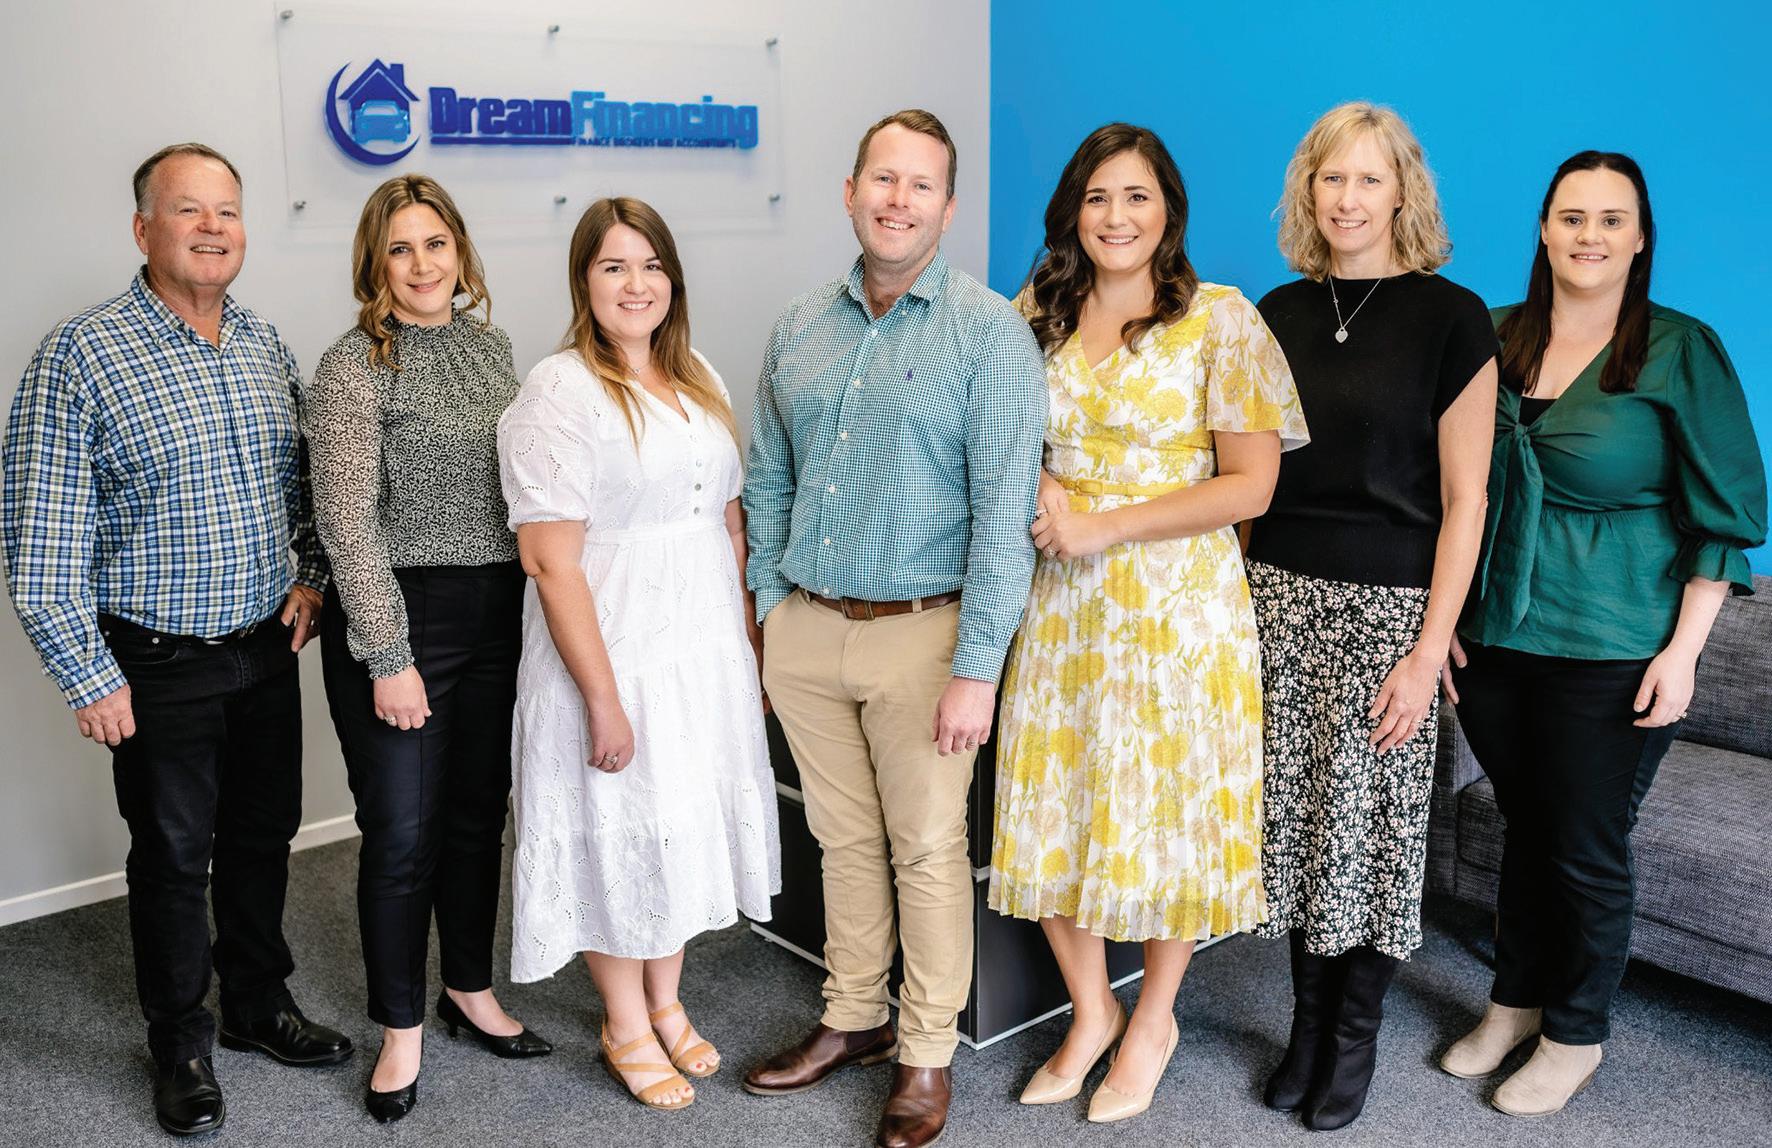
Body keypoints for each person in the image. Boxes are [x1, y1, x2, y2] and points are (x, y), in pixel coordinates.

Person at [0, 143, 352, 1137]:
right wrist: (87, 673)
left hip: (263, 648)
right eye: (188, 209)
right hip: (154, 660)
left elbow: (303, 484)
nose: (212, 227)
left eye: (227, 211)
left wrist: (310, 575)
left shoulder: (263, 344)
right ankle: (181, 1044)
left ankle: (257, 1005)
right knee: (171, 855)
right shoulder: (80, 354)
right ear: (142, 228)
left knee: (262, 835)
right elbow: (38, 533)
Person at [740, 109, 1047, 1148]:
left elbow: (1004, 515)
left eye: (920, 185)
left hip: (926, 634)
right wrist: (771, 610)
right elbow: (768, 476)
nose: (897, 200)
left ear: (947, 208)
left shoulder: (988, 334)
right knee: (839, 839)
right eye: (882, 178)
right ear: (850, 190)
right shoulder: (799, 326)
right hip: (807, 627)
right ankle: (853, 1015)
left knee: (924, 849)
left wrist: (978, 668)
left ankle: (923, 1053)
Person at [988, 123, 1307, 1124]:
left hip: (1178, 610)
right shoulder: (1033, 311)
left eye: (1135, 196)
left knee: (1172, 814)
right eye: (1096, 197)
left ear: (1168, 210)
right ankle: (1091, 1011)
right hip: (1061, 605)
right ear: (1070, 212)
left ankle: (1154, 1020)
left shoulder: (1221, 318)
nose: (1115, 216)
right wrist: (1043, 486)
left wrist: (1106, 523)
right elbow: (997, 436)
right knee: (1050, 799)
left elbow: (1250, 484)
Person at [1441, 151, 1766, 1117]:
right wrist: (1439, 619)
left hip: (1617, 643)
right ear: (1544, 229)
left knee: (1585, 844)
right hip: (1496, 636)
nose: (1590, 235)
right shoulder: (1491, 333)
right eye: (1572, 217)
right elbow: (1447, 489)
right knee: (1526, 828)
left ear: (1640, 238)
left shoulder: (1680, 349)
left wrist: (1683, 655)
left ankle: (1575, 1033)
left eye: (1611, 219)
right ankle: (1513, 1003)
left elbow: (1725, 517)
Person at [1244, 102, 1498, 1131]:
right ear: (1308, 191)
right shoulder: (1277, 312)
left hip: (1388, 617)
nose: (1346, 199)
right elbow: (1249, 477)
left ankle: (1352, 1038)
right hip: (1277, 601)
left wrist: (1428, 648)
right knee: (1298, 829)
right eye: (1330, 178)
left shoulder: (1452, 317)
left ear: (1402, 193)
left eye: (1367, 179)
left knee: (1370, 834)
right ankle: (1306, 1027)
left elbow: (1467, 500)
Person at [497, 196, 780, 1113]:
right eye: (613, 265)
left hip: (699, 646)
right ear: (584, 280)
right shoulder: (559, 390)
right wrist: (602, 698)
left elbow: (729, 520)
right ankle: (624, 1022)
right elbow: (550, 561)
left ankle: (666, 1001)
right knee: (617, 826)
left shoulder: (696, 374)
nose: (636, 283)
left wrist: (748, 640)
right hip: (612, 649)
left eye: (651, 264)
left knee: (677, 821)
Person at [303, 174, 551, 1124]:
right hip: (400, 618)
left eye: (435, 244)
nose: (420, 265)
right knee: (403, 833)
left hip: (496, 616)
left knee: (478, 816)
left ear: (460, 251)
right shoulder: (351, 367)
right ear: (374, 262)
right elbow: (346, 522)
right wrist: (388, 654)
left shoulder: (494, 351)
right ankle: (400, 1028)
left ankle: (468, 989)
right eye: (399, 249)